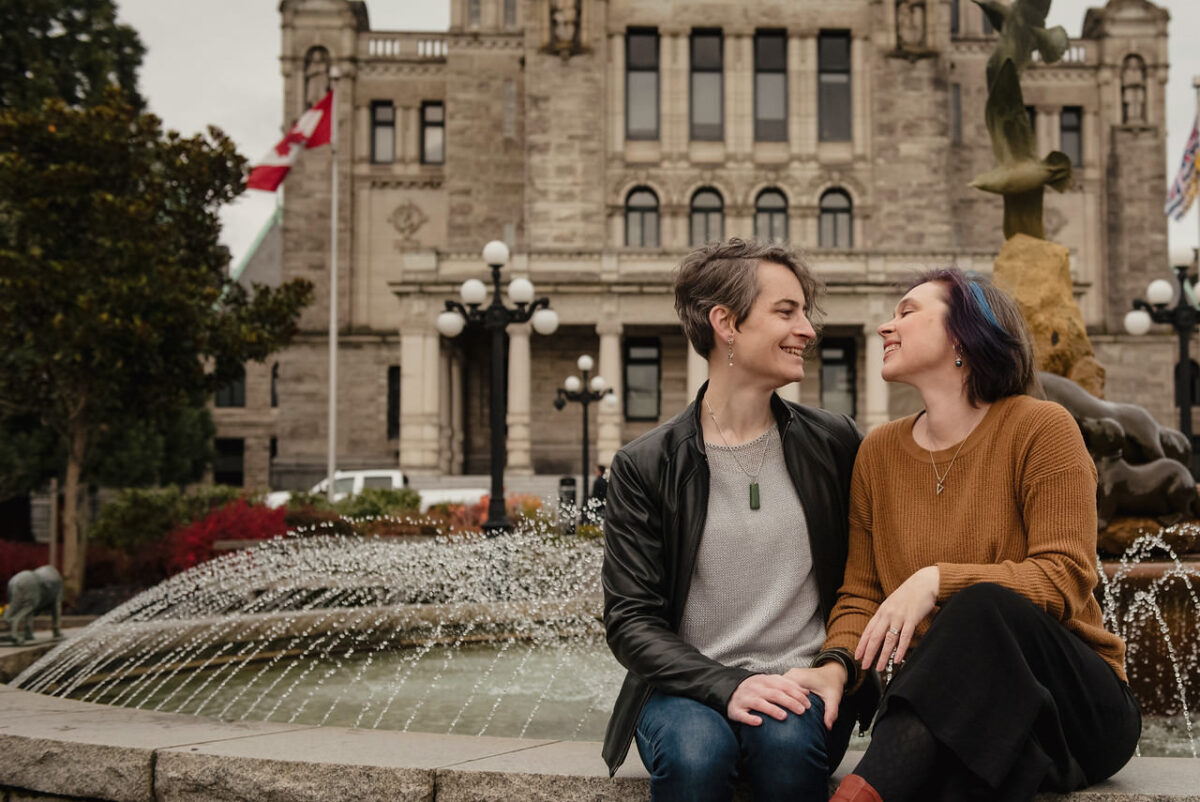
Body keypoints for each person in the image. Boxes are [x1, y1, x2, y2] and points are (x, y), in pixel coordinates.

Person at [824, 269, 1141, 802]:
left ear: (962, 335)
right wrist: (834, 665)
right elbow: (861, 595)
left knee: (978, 605)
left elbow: (1065, 575)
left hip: (1071, 707)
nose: (884, 327)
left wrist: (936, 581)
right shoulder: (876, 453)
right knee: (952, 755)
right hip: (952, 708)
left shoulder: (1042, 428)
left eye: (906, 312)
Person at [601, 238, 879, 801]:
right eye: (786, 311)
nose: (808, 329)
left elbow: (865, 581)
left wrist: (836, 666)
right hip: (682, 688)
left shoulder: (837, 443)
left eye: (805, 312)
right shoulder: (646, 463)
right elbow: (631, 620)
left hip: (801, 682)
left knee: (784, 746)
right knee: (696, 754)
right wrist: (727, 685)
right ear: (725, 323)